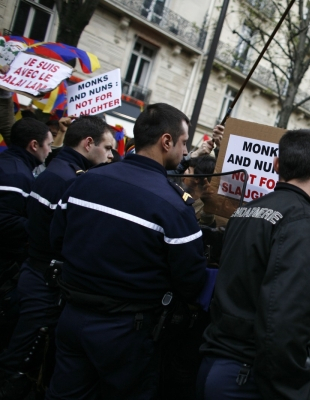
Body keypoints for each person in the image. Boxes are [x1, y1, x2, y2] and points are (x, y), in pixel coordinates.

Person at [45, 103, 208, 399]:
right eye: (184, 143)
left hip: (72, 317)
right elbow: (190, 279)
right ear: (166, 141)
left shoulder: (85, 181)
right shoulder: (173, 206)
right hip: (126, 332)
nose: (186, 152)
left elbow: (56, 239)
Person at [198, 129, 310, 400]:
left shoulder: (245, 210)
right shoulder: (303, 223)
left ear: (276, 164)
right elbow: (285, 316)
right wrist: (290, 389)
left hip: (215, 361)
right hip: (248, 377)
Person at [0, 116, 114, 399]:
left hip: (33, 274)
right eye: (108, 148)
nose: (111, 156)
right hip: (43, 284)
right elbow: (66, 238)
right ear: (89, 144)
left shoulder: (57, 169)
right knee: (20, 360)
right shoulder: (70, 180)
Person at [0, 118, 52, 274]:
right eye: (49, 145)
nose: (50, 151)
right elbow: (5, 220)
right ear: (34, 145)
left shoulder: (9, 164)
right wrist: (40, 226)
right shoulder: (17, 175)